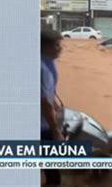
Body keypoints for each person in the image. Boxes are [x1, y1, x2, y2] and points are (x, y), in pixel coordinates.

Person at [41, 29, 63, 186]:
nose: (60, 48)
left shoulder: (47, 62)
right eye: (56, 45)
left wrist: (55, 104)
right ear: (45, 47)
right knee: (53, 176)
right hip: (42, 128)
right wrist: (55, 131)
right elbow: (44, 103)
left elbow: (49, 94)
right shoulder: (42, 69)